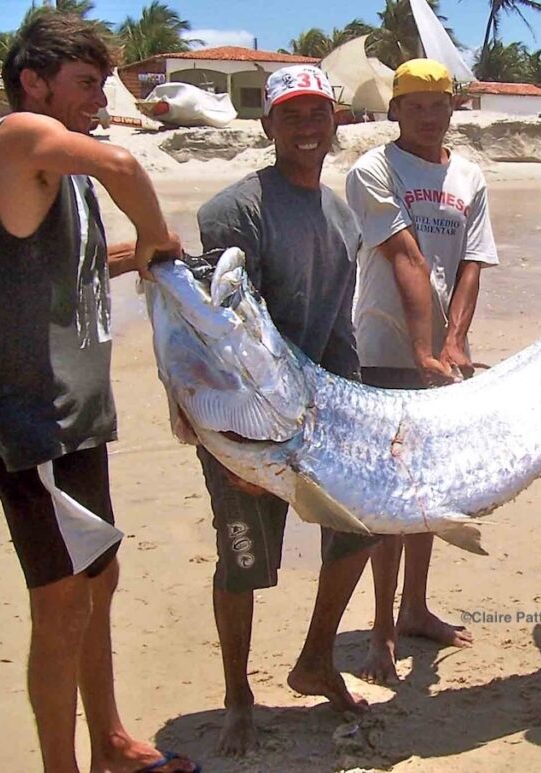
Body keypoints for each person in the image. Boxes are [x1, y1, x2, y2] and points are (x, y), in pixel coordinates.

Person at [0, 14, 196, 773]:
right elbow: (126, 168)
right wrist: (156, 228)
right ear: (34, 81)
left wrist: (152, 256)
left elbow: (82, 270)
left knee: (100, 574)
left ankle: (112, 744)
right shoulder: (21, 137)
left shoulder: (54, 175)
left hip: (76, 419)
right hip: (29, 418)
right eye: (87, 83)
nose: (101, 98)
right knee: (61, 598)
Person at [195, 64, 378, 755]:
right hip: (243, 421)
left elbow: (338, 332)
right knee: (244, 558)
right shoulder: (231, 211)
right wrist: (229, 446)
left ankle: (315, 658)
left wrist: (362, 417)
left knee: (361, 531)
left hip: (321, 419)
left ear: (336, 121)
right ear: (267, 126)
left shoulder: (341, 216)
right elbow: (219, 334)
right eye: (291, 115)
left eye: (318, 113)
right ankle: (238, 692)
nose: (307, 126)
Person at [345, 59, 499, 684]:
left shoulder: (469, 174)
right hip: (383, 347)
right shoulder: (372, 170)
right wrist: (420, 348)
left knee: (427, 492)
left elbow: (472, 261)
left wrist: (455, 340)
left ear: (453, 109)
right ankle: (380, 628)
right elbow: (403, 253)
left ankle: (415, 608)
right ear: (396, 110)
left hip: (440, 357)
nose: (430, 115)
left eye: (440, 104)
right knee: (389, 498)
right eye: (417, 104)